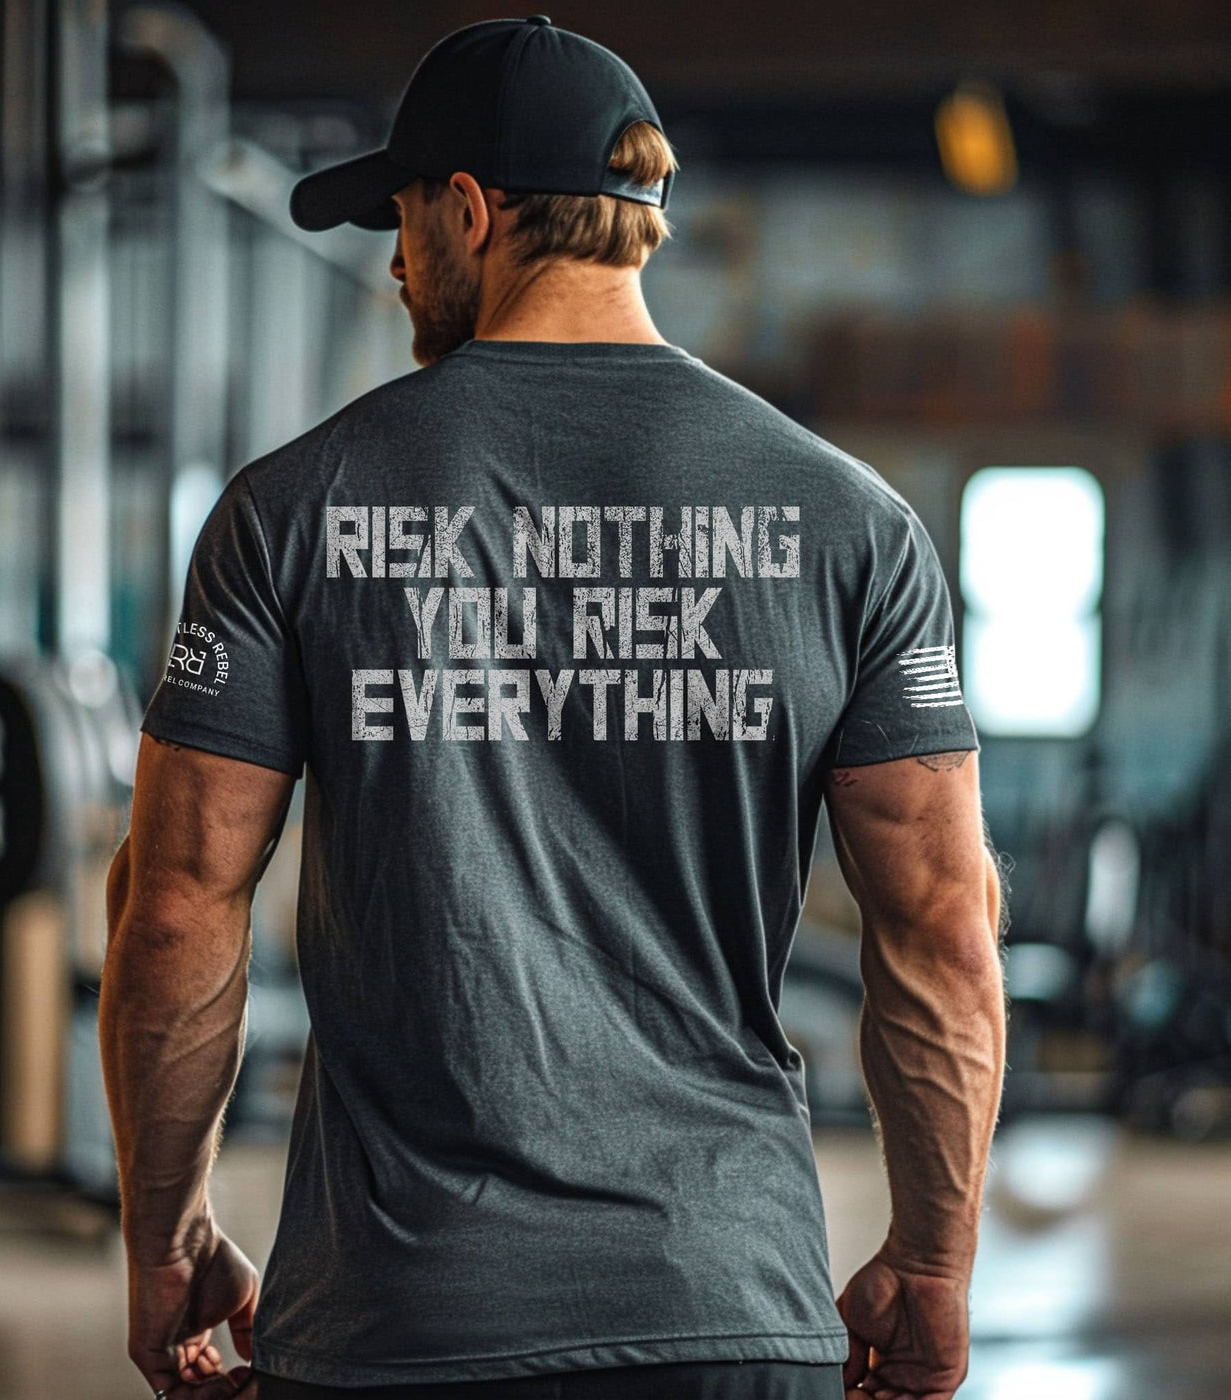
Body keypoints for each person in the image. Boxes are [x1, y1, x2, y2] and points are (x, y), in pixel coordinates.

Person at [99, 15, 1008, 1400]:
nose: (398, 266)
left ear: (469, 209)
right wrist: (935, 1264)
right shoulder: (854, 527)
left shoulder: (292, 510)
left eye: (402, 222)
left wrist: (166, 1240)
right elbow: (944, 925)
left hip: (400, 1328)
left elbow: (174, 909)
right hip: (723, 1312)